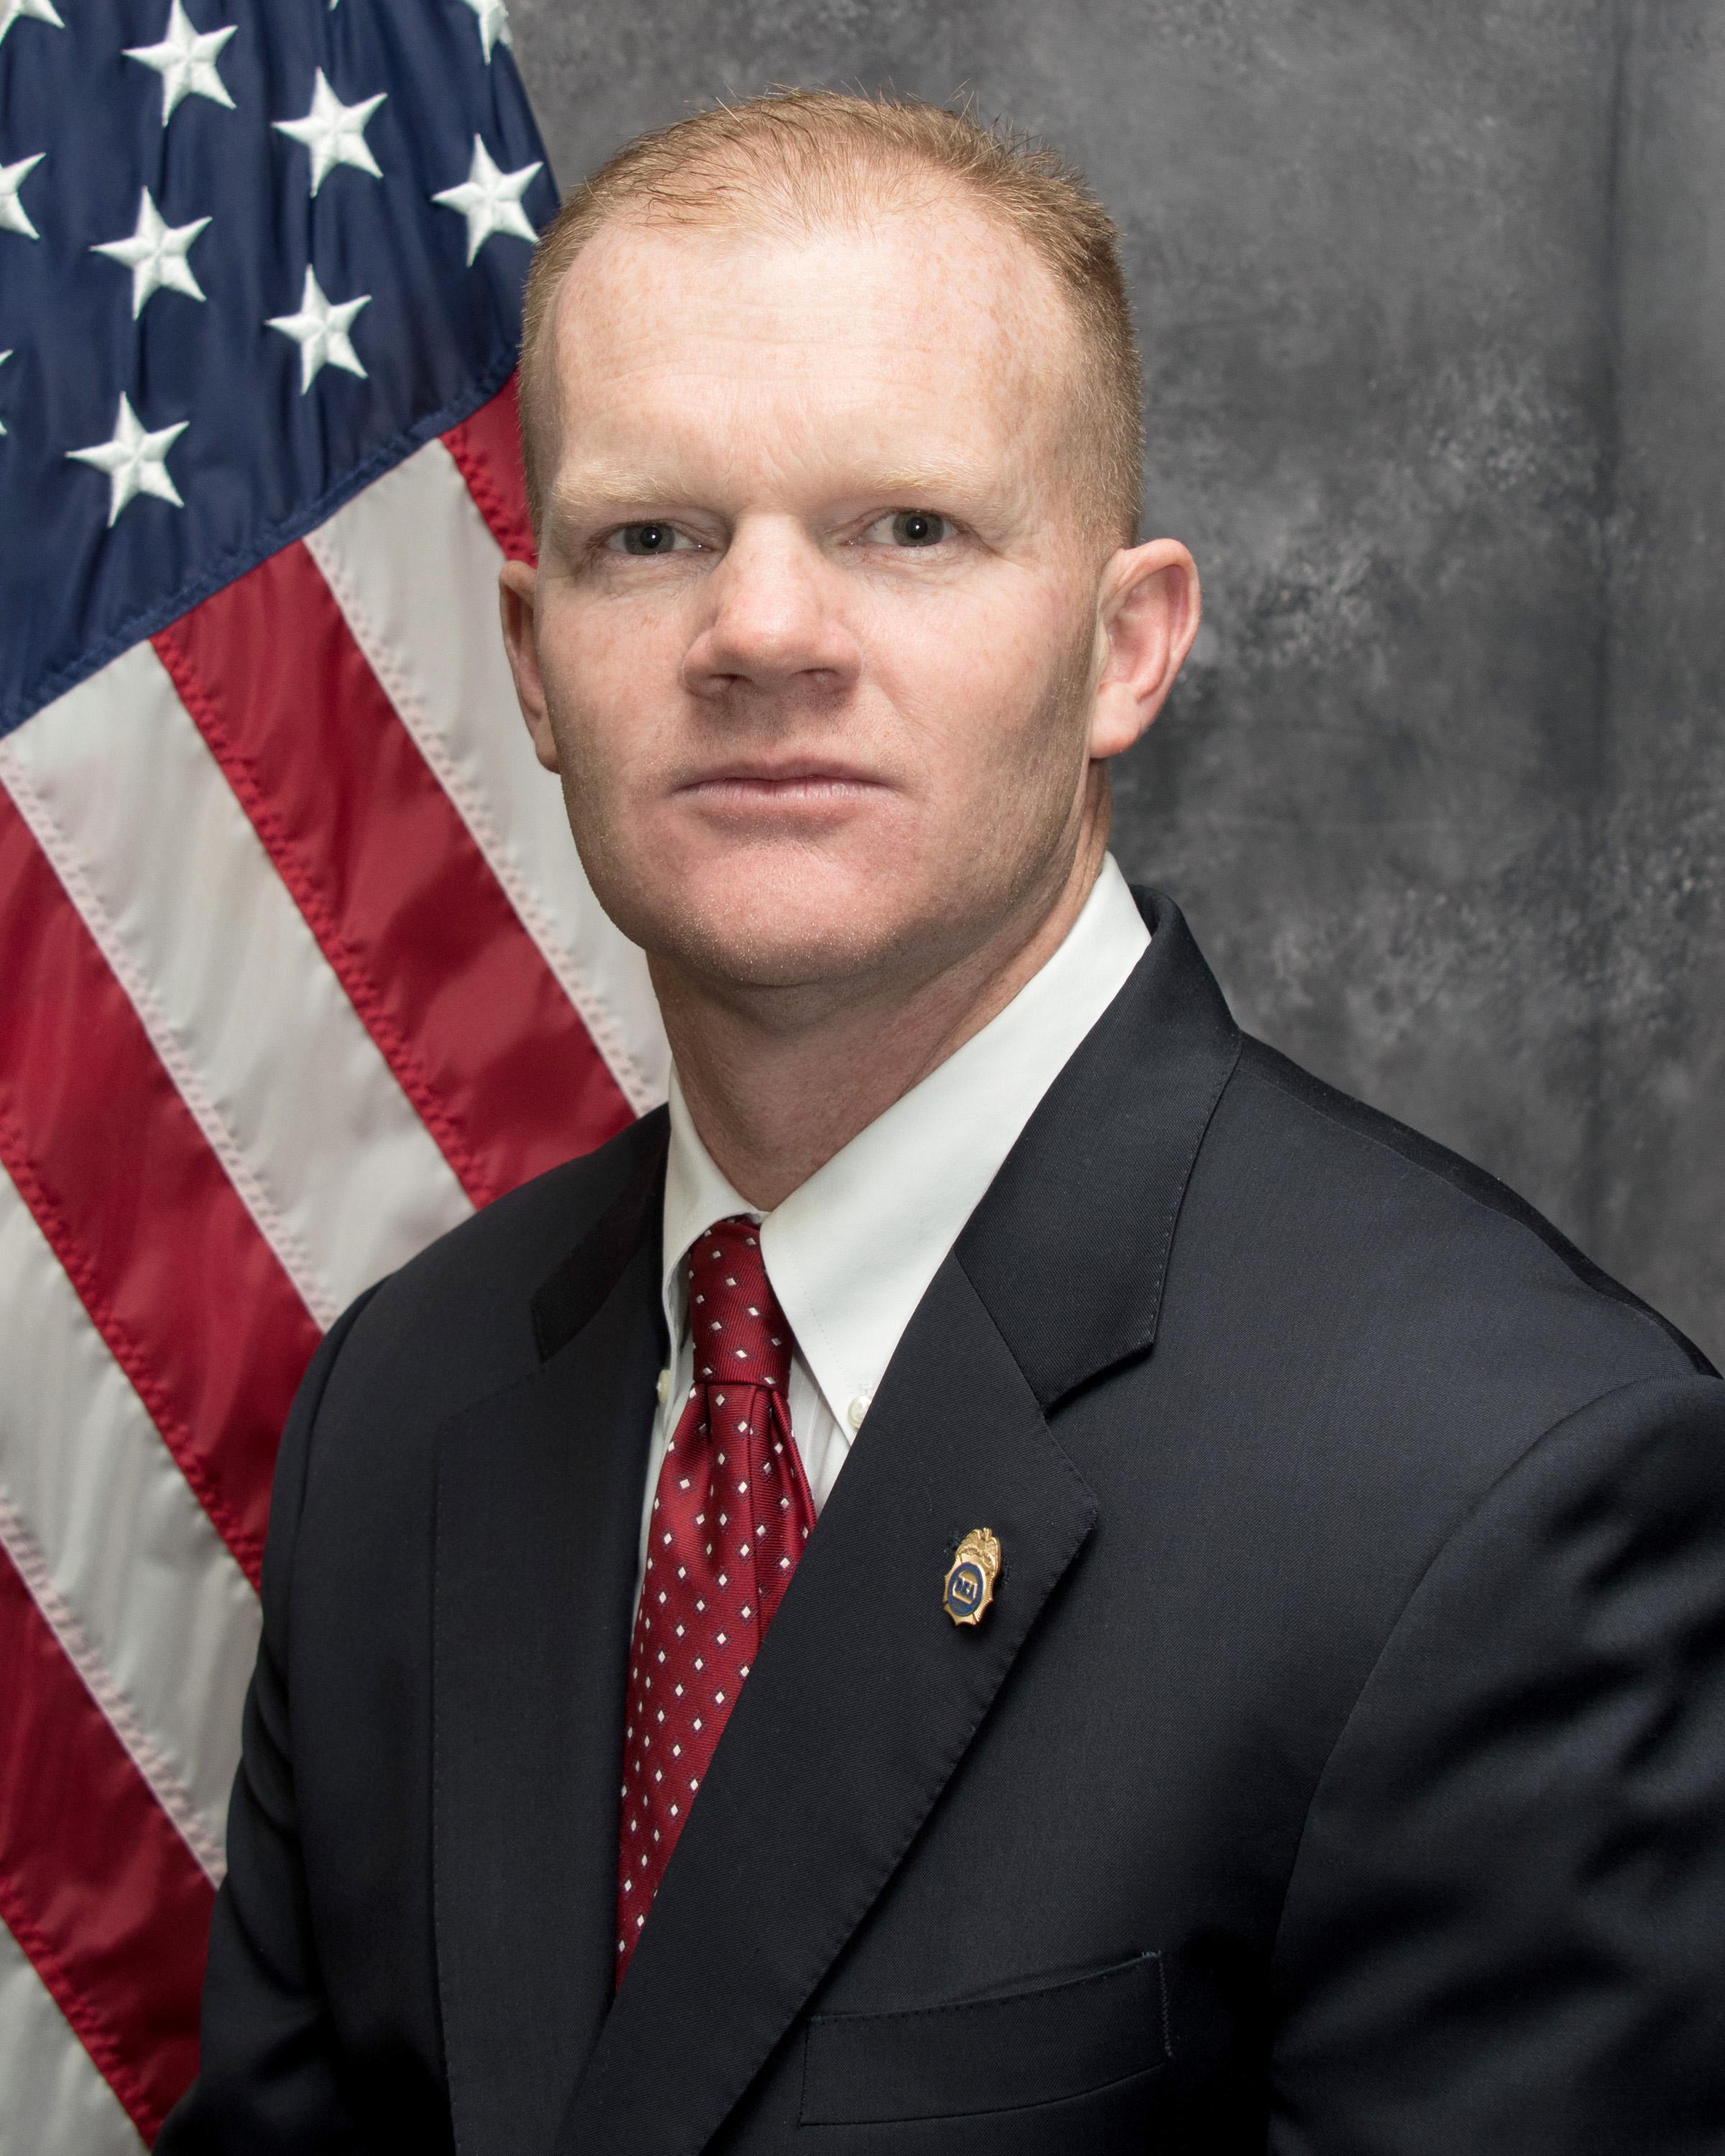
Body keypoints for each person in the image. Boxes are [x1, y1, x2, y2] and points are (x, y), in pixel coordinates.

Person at [159, 90, 1725, 2156]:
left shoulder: (1504, 1488)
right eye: (652, 538)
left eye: (907, 529)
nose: (761, 632)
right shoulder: (404, 1408)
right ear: (534, 667)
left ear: (1126, 649)